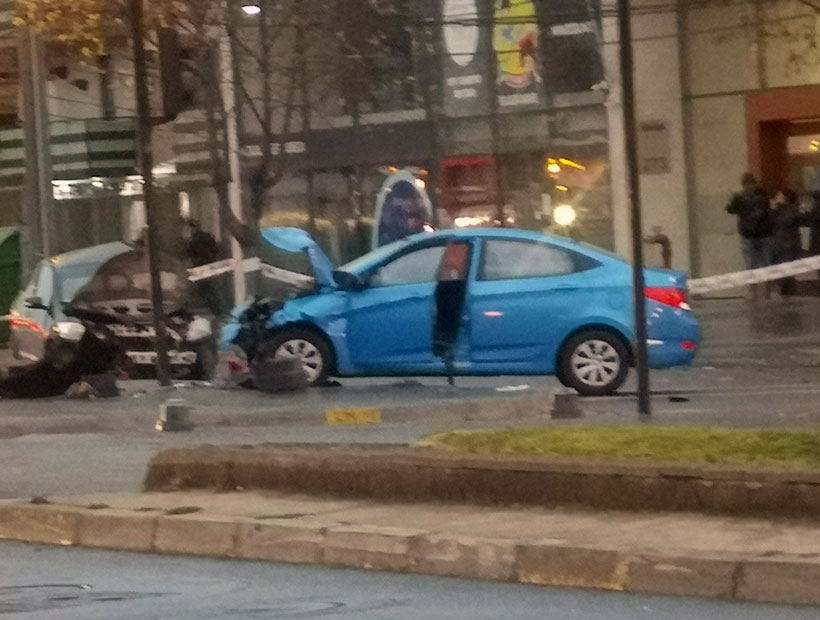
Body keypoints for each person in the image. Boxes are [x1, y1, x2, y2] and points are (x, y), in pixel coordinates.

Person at [726, 173, 774, 300]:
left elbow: (730, 209)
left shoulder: (743, 197)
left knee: (753, 264)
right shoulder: (762, 195)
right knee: (762, 264)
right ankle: (763, 292)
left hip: (751, 234)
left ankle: (756, 292)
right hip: (762, 234)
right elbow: (730, 209)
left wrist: (735, 196)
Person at [770, 188, 802, 297]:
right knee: (781, 271)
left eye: (779, 196)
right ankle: (784, 292)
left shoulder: (792, 209)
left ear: (785, 198)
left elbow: (787, 221)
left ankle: (789, 293)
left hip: (789, 244)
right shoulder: (777, 210)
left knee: (788, 271)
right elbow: (770, 223)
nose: (776, 198)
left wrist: (776, 209)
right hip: (779, 244)